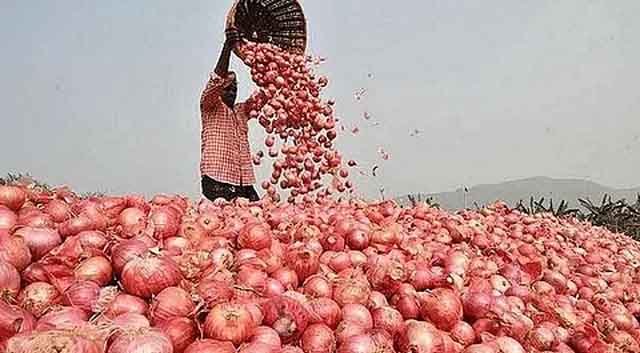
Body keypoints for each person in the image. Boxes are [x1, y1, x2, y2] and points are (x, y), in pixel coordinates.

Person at [199, 29, 259, 202]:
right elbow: (216, 79)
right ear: (219, 91)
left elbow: (265, 97)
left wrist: (272, 69)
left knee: (257, 219)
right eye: (228, 88)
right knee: (224, 222)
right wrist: (228, 47)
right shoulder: (210, 105)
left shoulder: (241, 111)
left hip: (244, 182)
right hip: (217, 179)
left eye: (235, 88)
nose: (232, 92)